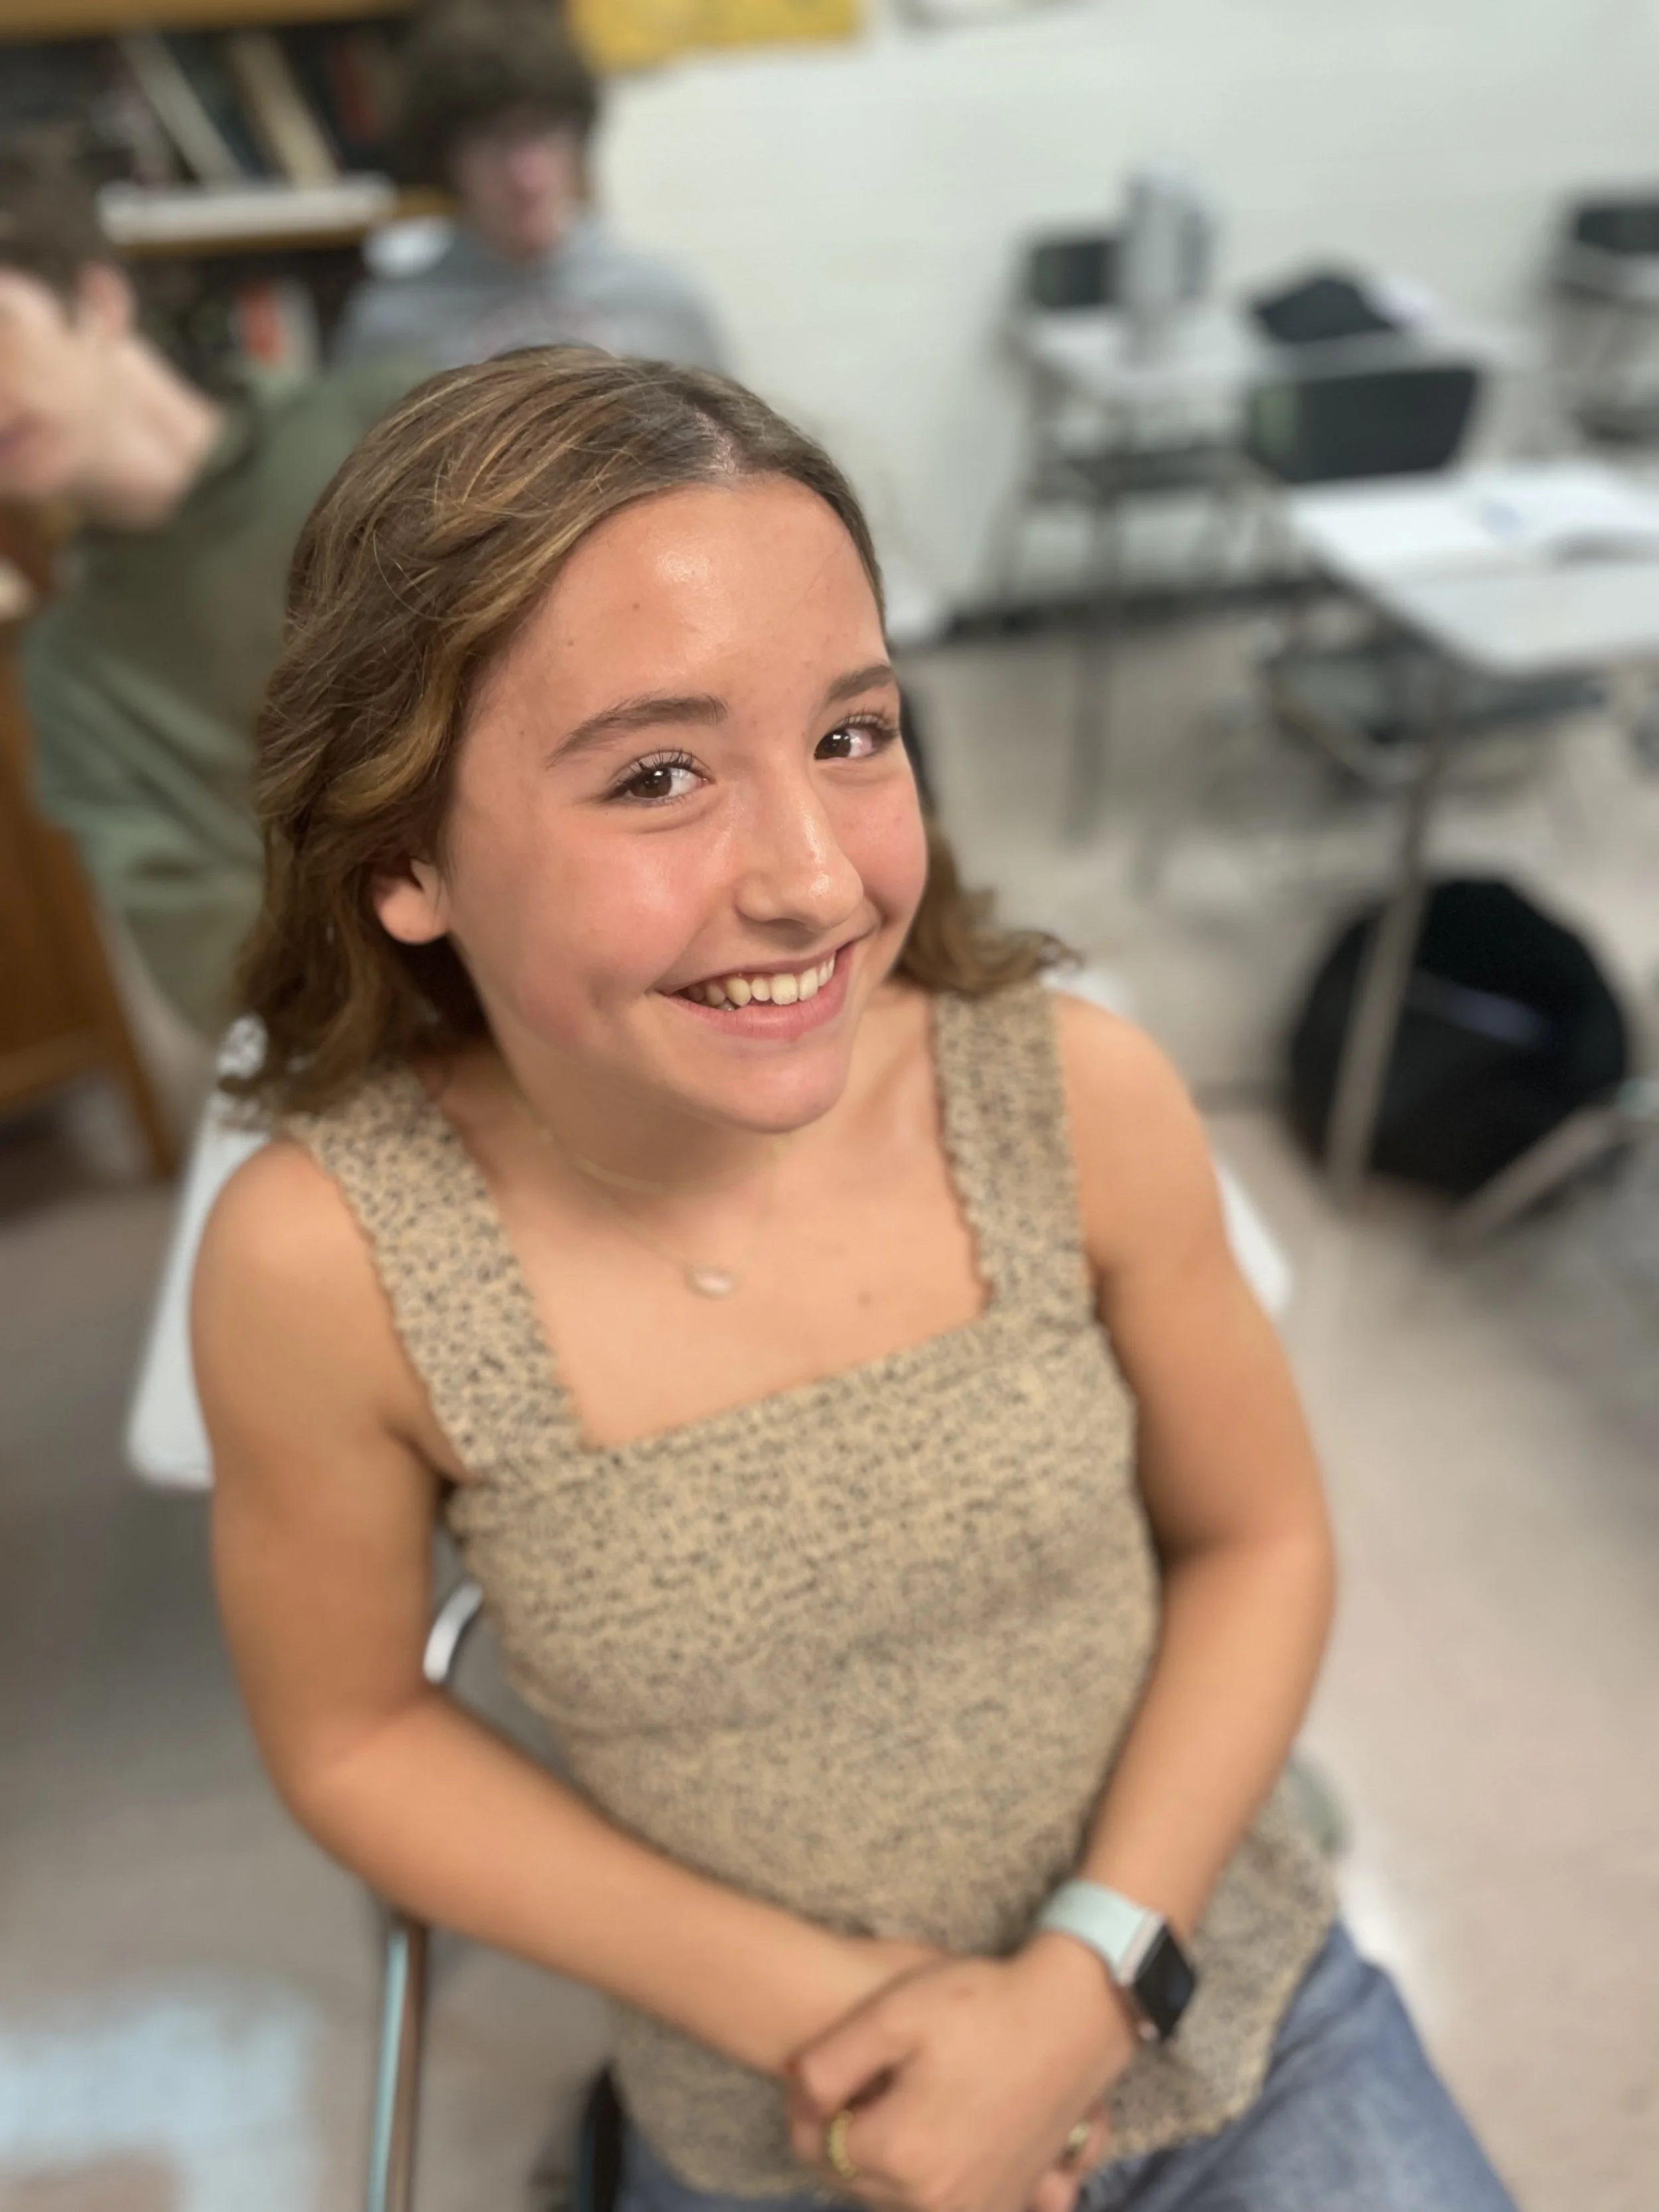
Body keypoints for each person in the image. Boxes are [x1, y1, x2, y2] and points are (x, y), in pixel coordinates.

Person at [194, 347, 1518, 2212]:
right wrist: (855, 2014)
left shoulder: (1070, 1093)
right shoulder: (328, 1260)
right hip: (780, 2096)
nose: (813, 877)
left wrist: (1075, 1988)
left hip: (1212, 1981)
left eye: (850, 732)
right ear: (402, 850)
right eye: (658, 774)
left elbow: (1257, 1542)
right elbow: (352, 1730)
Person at [0, 147, 417, 1041]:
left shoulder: (386, 423)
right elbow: (216, 965)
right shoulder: (73, 675)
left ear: (98, 298)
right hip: (389, 1044)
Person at [333, 0, 727, 376]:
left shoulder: (661, 300)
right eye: (493, 140)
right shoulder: (391, 324)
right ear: (446, 158)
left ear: (578, 137)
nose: (525, 173)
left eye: (542, 132)